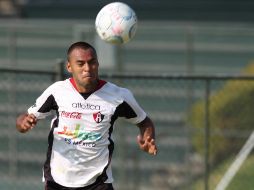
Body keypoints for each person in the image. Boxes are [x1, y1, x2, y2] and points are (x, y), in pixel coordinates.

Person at [16, 41, 157, 190]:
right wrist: (23, 123)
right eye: (81, 64)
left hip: (98, 182)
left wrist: (148, 137)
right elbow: (24, 118)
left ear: (98, 64)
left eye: (92, 62)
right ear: (69, 67)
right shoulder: (57, 91)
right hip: (57, 181)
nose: (87, 68)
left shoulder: (118, 96)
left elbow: (144, 122)